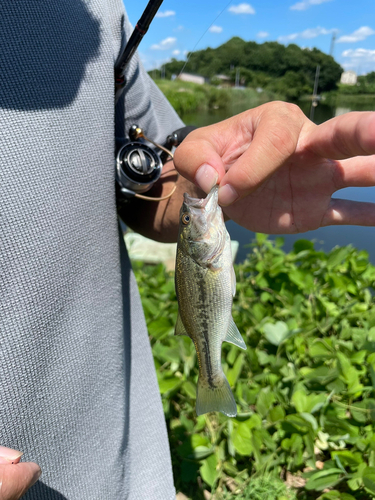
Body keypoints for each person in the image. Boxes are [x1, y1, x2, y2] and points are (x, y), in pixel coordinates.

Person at [1, 2, 375, 500]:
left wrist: (231, 185)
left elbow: (145, 187)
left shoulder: (95, 15)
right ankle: (211, 376)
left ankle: (210, 375)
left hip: (130, 464)